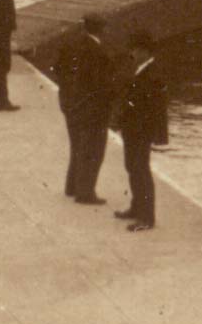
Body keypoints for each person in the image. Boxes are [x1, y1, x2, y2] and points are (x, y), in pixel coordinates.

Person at [53, 12, 115, 203]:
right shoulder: (99, 52)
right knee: (93, 150)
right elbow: (100, 85)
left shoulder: (70, 45)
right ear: (102, 29)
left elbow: (58, 70)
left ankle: (72, 186)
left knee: (77, 146)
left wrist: (67, 95)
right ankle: (85, 192)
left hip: (70, 104)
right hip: (92, 108)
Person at [113, 30, 168, 233]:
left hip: (141, 131)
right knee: (132, 167)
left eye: (135, 49)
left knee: (140, 170)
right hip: (133, 129)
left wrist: (158, 135)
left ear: (145, 51)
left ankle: (147, 217)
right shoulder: (143, 69)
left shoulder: (153, 74)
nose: (132, 53)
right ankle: (137, 208)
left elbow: (157, 108)